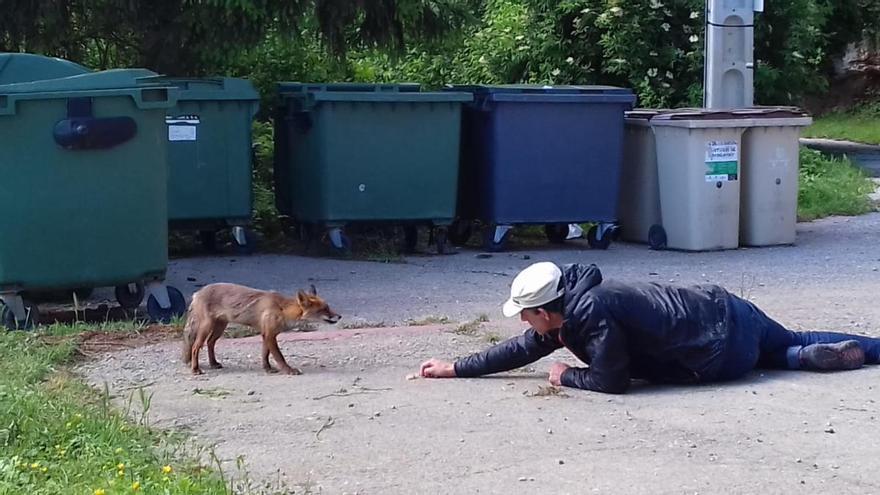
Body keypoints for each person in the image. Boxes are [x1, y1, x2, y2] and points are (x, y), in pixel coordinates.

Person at [419, 262, 879, 394]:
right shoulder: (582, 295)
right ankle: (853, 351)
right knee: (793, 341)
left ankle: (793, 360)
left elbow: (612, 380)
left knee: (749, 359)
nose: (523, 322)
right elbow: (523, 349)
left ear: (544, 311)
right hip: (730, 310)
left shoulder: (589, 316)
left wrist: (567, 376)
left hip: (713, 360)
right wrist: (456, 367)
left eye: (525, 313)